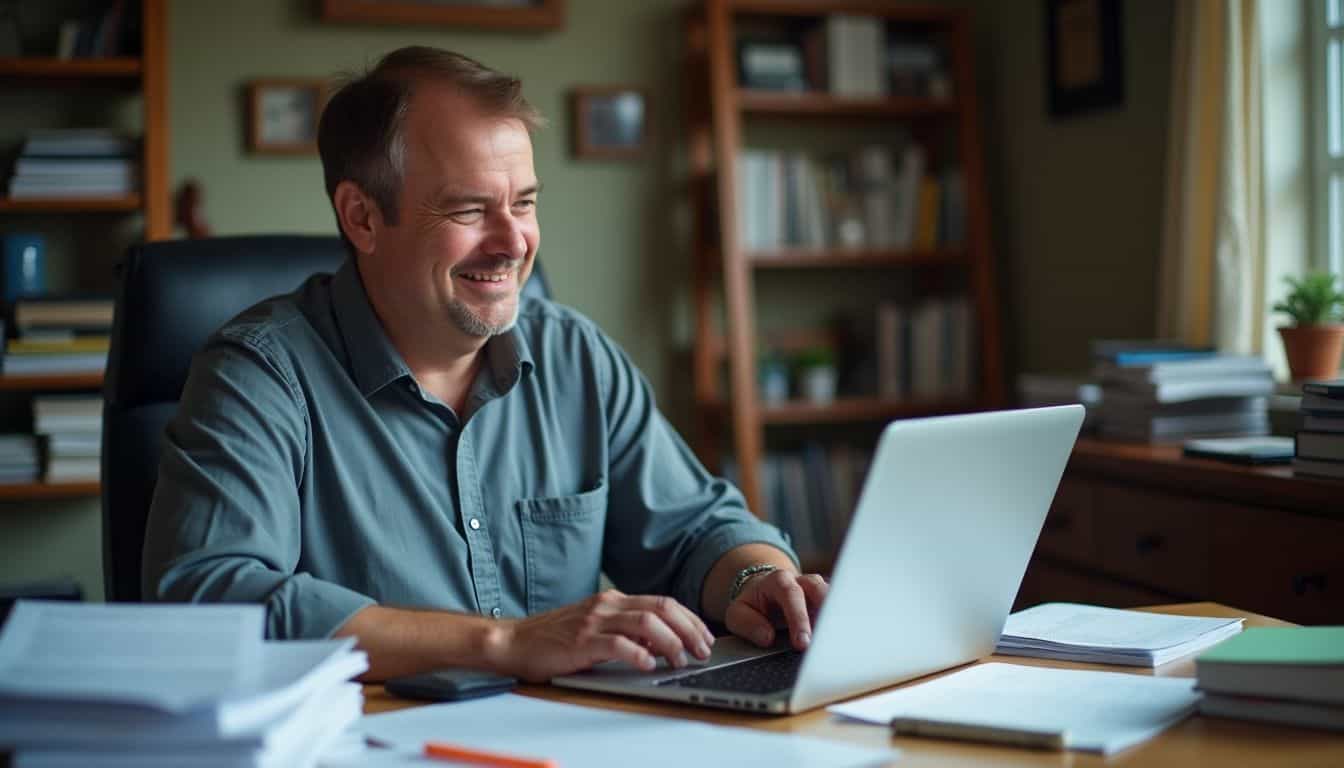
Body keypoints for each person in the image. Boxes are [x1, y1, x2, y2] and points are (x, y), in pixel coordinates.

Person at [142, 47, 828, 682]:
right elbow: (208, 599)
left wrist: (756, 582)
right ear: (362, 217)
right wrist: (505, 643)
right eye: (469, 209)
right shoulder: (260, 376)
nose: (514, 242)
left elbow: (698, 530)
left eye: (524, 203)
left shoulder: (574, 356)